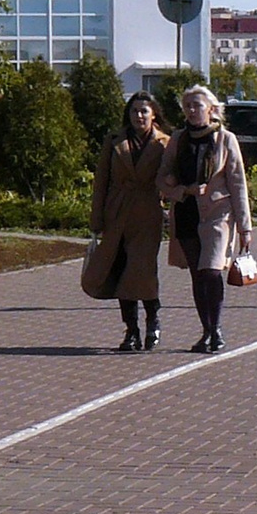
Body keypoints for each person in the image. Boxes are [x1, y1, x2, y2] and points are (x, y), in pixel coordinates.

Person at [160, 84, 255, 353]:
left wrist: (245, 227)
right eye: (187, 106)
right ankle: (206, 331)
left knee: (211, 272)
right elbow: (162, 178)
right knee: (197, 276)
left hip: (218, 215)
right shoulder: (178, 139)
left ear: (211, 109)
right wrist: (181, 190)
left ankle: (217, 329)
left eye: (197, 106)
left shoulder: (225, 139)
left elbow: (238, 184)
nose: (191, 111)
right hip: (187, 214)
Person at [84, 91, 169, 350]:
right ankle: (131, 330)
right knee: (121, 271)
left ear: (154, 114)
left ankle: (153, 319)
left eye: (144, 111)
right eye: (134, 111)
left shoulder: (165, 142)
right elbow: (102, 182)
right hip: (117, 213)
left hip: (147, 215)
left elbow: (171, 178)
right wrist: (97, 219)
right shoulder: (114, 141)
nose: (139, 115)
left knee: (141, 272)